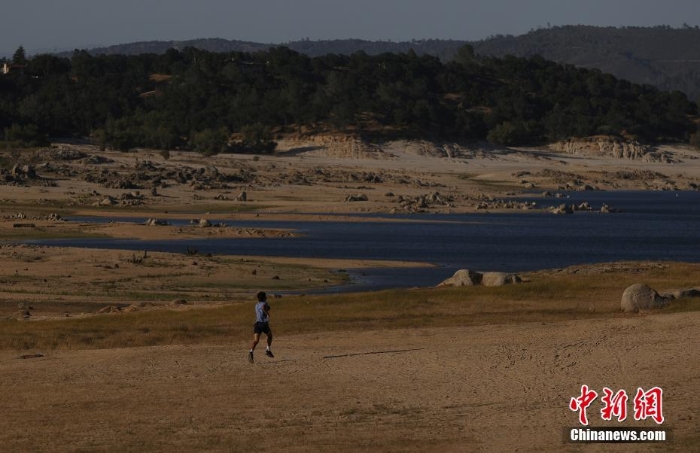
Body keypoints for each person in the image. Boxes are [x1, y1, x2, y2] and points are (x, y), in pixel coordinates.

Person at [248, 291, 273, 363]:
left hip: (257, 324)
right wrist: (267, 313)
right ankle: (268, 349)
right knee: (270, 335)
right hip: (263, 324)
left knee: (256, 341)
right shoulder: (265, 303)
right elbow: (264, 307)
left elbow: (263, 308)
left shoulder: (256, 305)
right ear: (264, 297)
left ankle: (251, 352)